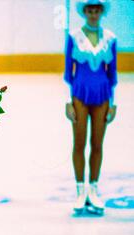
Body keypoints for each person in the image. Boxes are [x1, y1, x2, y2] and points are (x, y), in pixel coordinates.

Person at [64, 0, 117, 214]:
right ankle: (80, 190)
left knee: (97, 143)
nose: (93, 13)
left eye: (97, 10)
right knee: (79, 142)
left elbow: (112, 74)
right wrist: (68, 102)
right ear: (84, 12)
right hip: (79, 94)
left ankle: (93, 189)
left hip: (103, 95)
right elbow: (68, 72)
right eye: (89, 10)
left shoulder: (110, 38)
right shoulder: (73, 37)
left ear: (101, 12)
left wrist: (112, 103)